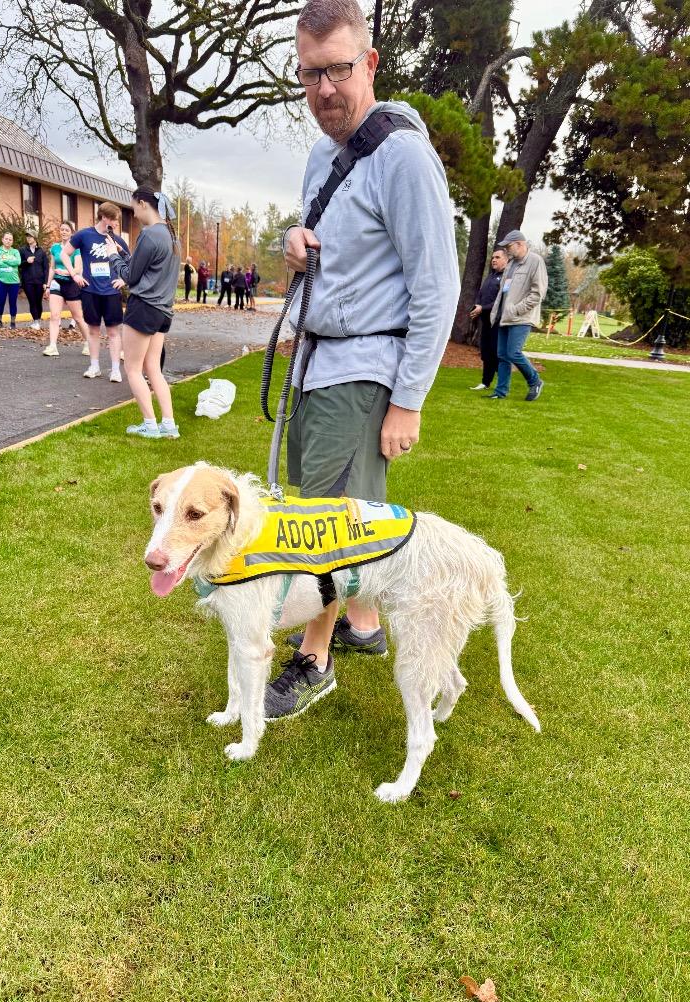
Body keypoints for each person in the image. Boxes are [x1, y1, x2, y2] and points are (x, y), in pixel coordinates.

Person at [263, 0, 459, 720]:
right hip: (316, 362)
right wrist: (295, 238)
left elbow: (437, 286)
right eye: (309, 75)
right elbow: (327, 240)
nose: (324, 92)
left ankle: (315, 661)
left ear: (369, 64)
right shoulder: (323, 153)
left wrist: (408, 399)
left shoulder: (404, 156)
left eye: (339, 71)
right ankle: (364, 623)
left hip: (363, 372)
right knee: (345, 505)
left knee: (324, 518)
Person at [105, 187, 181, 439]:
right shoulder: (171, 236)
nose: (134, 214)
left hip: (144, 307)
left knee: (134, 369)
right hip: (163, 312)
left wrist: (113, 257)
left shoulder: (150, 235)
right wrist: (124, 255)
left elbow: (130, 276)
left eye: (134, 207)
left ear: (143, 204)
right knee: (153, 368)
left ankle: (150, 425)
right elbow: (147, 270)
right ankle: (169, 424)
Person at [61, 203, 128, 382]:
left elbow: (131, 263)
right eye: (114, 220)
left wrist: (123, 280)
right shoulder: (84, 235)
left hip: (111, 292)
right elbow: (64, 254)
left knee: (114, 331)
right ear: (104, 218)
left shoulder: (117, 240)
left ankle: (115, 370)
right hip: (90, 291)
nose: (116, 223)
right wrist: (74, 274)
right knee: (93, 330)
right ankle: (94, 366)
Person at [487, 230, 547, 401]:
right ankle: (500, 392)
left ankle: (535, 381)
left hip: (521, 318)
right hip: (504, 318)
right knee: (502, 356)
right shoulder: (511, 264)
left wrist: (516, 309)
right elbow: (503, 292)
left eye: (509, 246)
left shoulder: (535, 261)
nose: (506, 250)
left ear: (520, 244)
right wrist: (496, 312)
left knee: (513, 353)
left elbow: (537, 294)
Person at [43, 220, 90, 357]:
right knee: (54, 315)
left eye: (66, 230)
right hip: (57, 283)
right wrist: (48, 285)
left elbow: (78, 268)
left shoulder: (76, 249)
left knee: (78, 317)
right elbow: (52, 268)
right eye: (62, 229)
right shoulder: (55, 248)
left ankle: (88, 343)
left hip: (71, 284)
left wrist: (68, 272)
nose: (63, 232)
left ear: (72, 233)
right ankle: (52, 346)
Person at [468, 247, 507, 391]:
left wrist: (482, 308)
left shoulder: (506, 278)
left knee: (495, 353)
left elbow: (500, 301)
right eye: (493, 258)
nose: (494, 260)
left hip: (498, 321)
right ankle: (485, 382)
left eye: (497, 257)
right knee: (485, 352)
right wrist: (477, 305)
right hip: (486, 321)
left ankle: (503, 382)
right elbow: (481, 294)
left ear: (506, 260)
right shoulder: (490, 276)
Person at [19, 230, 48, 330]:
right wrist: (26, 262)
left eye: (30, 236)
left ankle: (37, 321)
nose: (28, 238)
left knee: (38, 301)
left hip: (39, 281)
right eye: (27, 236)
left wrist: (45, 282)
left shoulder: (41, 251)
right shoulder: (22, 250)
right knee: (32, 301)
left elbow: (46, 268)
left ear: (35, 238)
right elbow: (19, 264)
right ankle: (36, 321)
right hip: (28, 281)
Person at [0, 231, 21, 328]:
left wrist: (4, 260)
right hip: (1, 280)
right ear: (2, 240)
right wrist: (11, 262)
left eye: (10, 239)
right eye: (6, 239)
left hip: (14, 281)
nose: (8, 241)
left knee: (13, 302)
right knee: (1, 301)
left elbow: (18, 261)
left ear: (12, 242)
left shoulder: (15, 252)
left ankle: (13, 322)